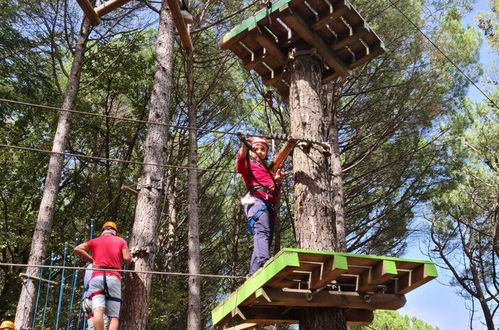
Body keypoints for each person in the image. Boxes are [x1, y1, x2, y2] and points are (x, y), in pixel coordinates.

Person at [236, 134, 296, 275]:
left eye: (263, 149)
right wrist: (245, 144)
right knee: (262, 232)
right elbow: (241, 159)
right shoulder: (248, 165)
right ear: (251, 151)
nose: (260, 151)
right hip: (257, 202)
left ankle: (254, 273)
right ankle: (264, 262)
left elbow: (278, 162)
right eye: (256, 148)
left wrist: (277, 181)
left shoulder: (268, 171)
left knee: (265, 237)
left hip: (268, 205)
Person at [74, 221, 132, 330]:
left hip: (97, 277)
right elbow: (127, 259)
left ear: (103, 231)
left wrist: (92, 261)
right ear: (115, 231)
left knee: (97, 310)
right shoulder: (121, 241)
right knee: (114, 316)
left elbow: (77, 248)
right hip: (113, 277)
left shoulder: (95, 241)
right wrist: (129, 254)